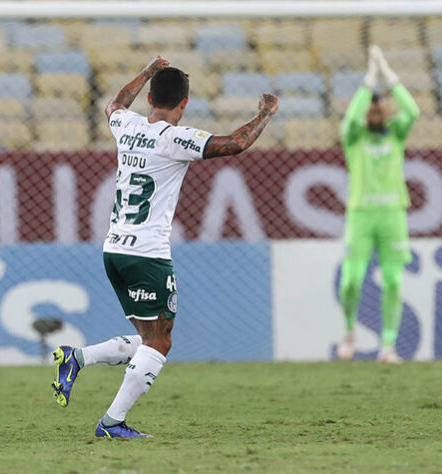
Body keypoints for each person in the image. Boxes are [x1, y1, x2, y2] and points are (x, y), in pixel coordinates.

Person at [51, 56, 279, 438]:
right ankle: (112, 423)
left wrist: (144, 71)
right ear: (184, 103)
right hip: (147, 253)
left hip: (114, 248)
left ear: (151, 96)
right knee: (161, 341)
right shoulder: (176, 139)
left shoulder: (127, 124)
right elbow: (236, 143)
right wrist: (266, 113)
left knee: (146, 338)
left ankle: (78, 358)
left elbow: (114, 104)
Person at [336, 45, 419, 364]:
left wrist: (390, 78)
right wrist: (368, 83)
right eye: (369, 110)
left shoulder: (396, 134)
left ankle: (388, 346)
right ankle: (348, 331)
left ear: (386, 111)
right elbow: (350, 120)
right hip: (361, 214)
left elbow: (412, 112)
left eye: (378, 109)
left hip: (392, 214)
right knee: (351, 281)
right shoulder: (354, 138)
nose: (373, 114)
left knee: (395, 280)